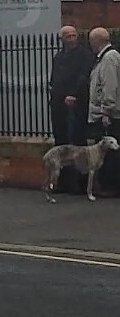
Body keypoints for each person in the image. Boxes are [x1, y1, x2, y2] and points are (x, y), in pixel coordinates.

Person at [49, 25, 95, 192]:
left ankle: (80, 184)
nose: (71, 39)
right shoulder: (58, 57)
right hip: (59, 105)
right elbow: (55, 78)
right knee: (61, 144)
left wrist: (73, 94)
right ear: (61, 39)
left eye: (73, 35)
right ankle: (63, 182)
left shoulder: (84, 55)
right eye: (67, 36)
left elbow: (84, 76)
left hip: (76, 105)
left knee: (77, 144)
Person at [87, 27, 120, 195]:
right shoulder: (104, 58)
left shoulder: (108, 58)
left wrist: (107, 110)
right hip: (103, 113)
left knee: (110, 155)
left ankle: (112, 187)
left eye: (91, 41)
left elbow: (110, 86)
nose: (90, 45)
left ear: (97, 41)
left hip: (107, 115)